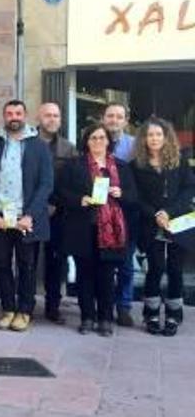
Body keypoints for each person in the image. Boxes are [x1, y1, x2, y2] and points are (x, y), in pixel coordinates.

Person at [0, 100, 53, 332]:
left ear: (25, 115)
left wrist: (30, 215)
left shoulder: (38, 146)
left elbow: (46, 184)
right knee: (1, 264)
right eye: (9, 113)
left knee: (26, 265)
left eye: (18, 113)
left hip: (25, 218)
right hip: (0, 218)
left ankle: (24, 311)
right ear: (4, 116)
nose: (14, 117)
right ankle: (8, 309)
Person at [58, 124, 136, 337]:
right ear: (87, 141)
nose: (98, 142)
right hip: (83, 228)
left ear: (108, 141)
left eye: (102, 138)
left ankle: (105, 319)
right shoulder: (75, 165)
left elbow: (133, 197)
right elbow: (59, 193)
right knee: (85, 275)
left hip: (112, 232)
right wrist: (79, 199)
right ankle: (87, 318)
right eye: (93, 138)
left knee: (107, 276)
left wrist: (121, 193)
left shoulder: (121, 166)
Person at [132, 117, 195, 336]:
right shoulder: (137, 165)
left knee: (176, 269)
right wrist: (156, 214)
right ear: (144, 139)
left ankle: (173, 315)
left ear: (166, 137)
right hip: (151, 224)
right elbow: (135, 197)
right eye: (150, 135)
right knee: (156, 267)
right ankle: (150, 313)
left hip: (178, 222)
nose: (155, 138)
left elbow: (189, 189)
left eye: (159, 134)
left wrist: (170, 211)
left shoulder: (179, 161)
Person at [36, 102, 77, 324]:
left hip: (59, 213)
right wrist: (39, 206)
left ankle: (53, 306)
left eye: (56, 116)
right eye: (48, 115)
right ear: (39, 118)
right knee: (28, 259)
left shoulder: (69, 149)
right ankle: (26, 304)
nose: (52, 119)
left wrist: (56, 204)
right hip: (32, 211)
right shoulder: (28, 144)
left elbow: (71, 182)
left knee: (57, 260)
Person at [102, 102, 137, 327]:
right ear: (103, 118)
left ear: (125, 120)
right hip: (100, 216)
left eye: (118, 116)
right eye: (110, 116)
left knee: (125, 265)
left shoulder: (135, 147)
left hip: (127, 214)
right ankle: (102, 305)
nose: (114, 120)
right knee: (102, 265)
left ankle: (124, 307)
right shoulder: (94, 141)